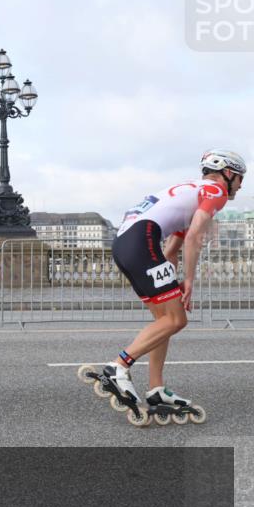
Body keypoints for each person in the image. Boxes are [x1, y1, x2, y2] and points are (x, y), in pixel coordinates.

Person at [93, 149, 245, 426]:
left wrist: (172, 283)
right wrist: (189, 281)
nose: (240, 185)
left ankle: (156, 389)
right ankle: (118, 366)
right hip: (141, 241)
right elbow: (195, 237)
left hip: (128, 243)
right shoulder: (215, 191)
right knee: (176, 320)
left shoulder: (188, 192)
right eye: (240, 179)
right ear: (229, 174)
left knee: (165, 320)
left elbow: (172, 249)